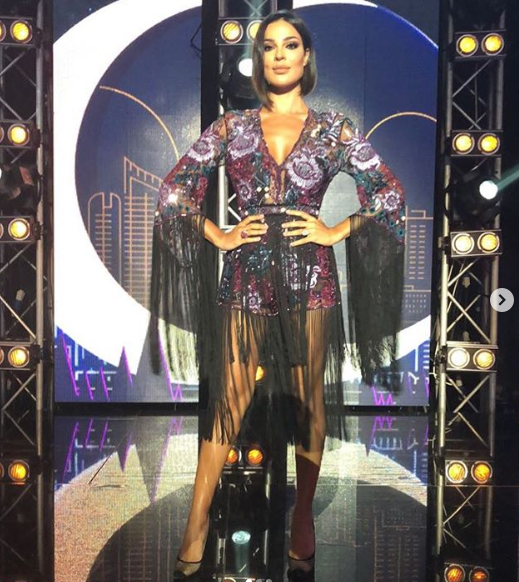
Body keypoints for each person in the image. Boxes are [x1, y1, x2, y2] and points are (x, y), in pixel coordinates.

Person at [150, 9, 406, 580]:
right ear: (260, 59)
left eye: (291, 45)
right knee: (230, 401)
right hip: (245, 276)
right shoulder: (232, 128)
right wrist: (218, 234)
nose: (280, 54)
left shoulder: (334, 130)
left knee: (308, 400)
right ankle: (196, 519)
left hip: (311, 280)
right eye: (269, 46)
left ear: (306, 56)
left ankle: (303, 517)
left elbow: (389, 195)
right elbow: (174, 193)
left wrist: (336, 230)